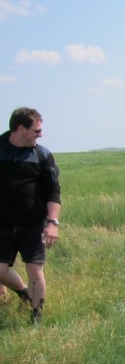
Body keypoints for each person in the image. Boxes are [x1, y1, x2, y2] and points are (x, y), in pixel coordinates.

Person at [0, 107, 61, 324]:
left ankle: (36, 317)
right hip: (2, 224)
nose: (40, 134)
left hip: (33, 224)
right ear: (20, 128)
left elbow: (53, 191)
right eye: (36, 130)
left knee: (34, 268)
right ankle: (24, 292)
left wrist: (52, 222)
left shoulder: (42, 155)